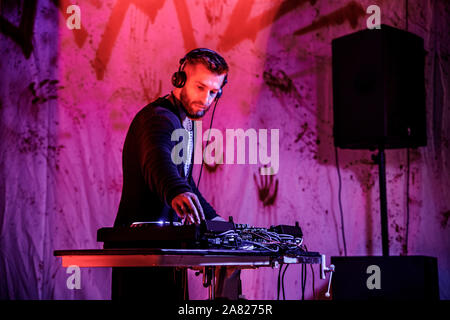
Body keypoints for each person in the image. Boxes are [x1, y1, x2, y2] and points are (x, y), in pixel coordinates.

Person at [112, 48, 240, 300]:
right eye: (200, 87)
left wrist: (216, 222)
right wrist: (175, 190)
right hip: (141, 251)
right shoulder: (157, 118)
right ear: (179, 80)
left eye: (214, 92)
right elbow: (156, 159)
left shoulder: (185, 124)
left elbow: (185, 181)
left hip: (165, 247)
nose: (206, 99)